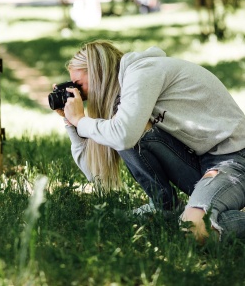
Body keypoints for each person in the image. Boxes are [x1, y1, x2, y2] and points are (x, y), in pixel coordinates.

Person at [54, 39, 245, 244]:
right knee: (131, 131)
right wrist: (71, 124)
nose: (80, 95)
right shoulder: (121, 102)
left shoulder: (141, 72)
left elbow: (124, 135)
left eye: (78, 86)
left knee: (194, 228)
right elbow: (96, 174)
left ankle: (194, 217)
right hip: (201, 161)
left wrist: (81, 120)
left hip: (234, 160)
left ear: (98, 70)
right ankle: (167, 208)